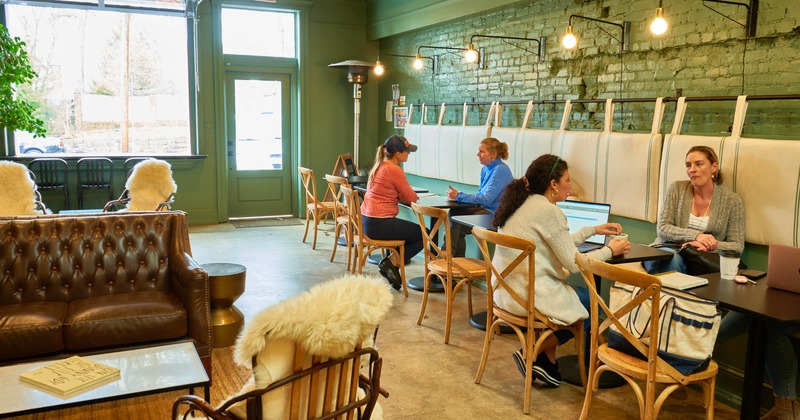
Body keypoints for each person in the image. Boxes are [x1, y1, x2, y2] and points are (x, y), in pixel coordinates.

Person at [492, 153, 630, 387]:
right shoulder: (549, 211)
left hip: (504, 292)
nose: (570, 186)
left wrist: (592, 230)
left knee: (574, 296)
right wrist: (610, 250)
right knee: (591, 301)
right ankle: (535, 351)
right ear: (553, 184)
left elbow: (556, 243)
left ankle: (547, 363)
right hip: (526, 297)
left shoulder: (520, 203)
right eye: (567, 180)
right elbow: (575, 264)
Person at [643, 145, 744, 274]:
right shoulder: (677, 189)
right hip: (667, 248)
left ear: (713, 167)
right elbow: (663, 228)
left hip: (700, 258)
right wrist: (696, 236)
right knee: (672, 259)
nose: (692, 170)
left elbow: (737, 246)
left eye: (699, 164)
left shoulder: (732, 201)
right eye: (688, 165)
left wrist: (706, 245)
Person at [361, 134, 423, 291]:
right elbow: (411, 198)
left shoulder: (379, 165)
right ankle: (390, 262)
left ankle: (392, 268)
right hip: (379, 224)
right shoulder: (394, 169)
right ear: (398, 154)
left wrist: (399, 194)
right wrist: (404, 195)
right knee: (424, 235)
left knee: (406, 231)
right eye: (407, 151)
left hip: (367, 222)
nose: (409, 154)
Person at [445, 137, 514, 257]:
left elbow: (486, 199)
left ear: (493, 154)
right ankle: (453, 260)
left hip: (496, 215)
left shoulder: (501, 169)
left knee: (456, 224)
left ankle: (447, 256)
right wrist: (459, 196)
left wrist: (459, 195)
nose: (478, 154)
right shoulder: (485, 169)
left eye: (482, 151)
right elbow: (481, 195)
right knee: (455, 214)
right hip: (485, 209)